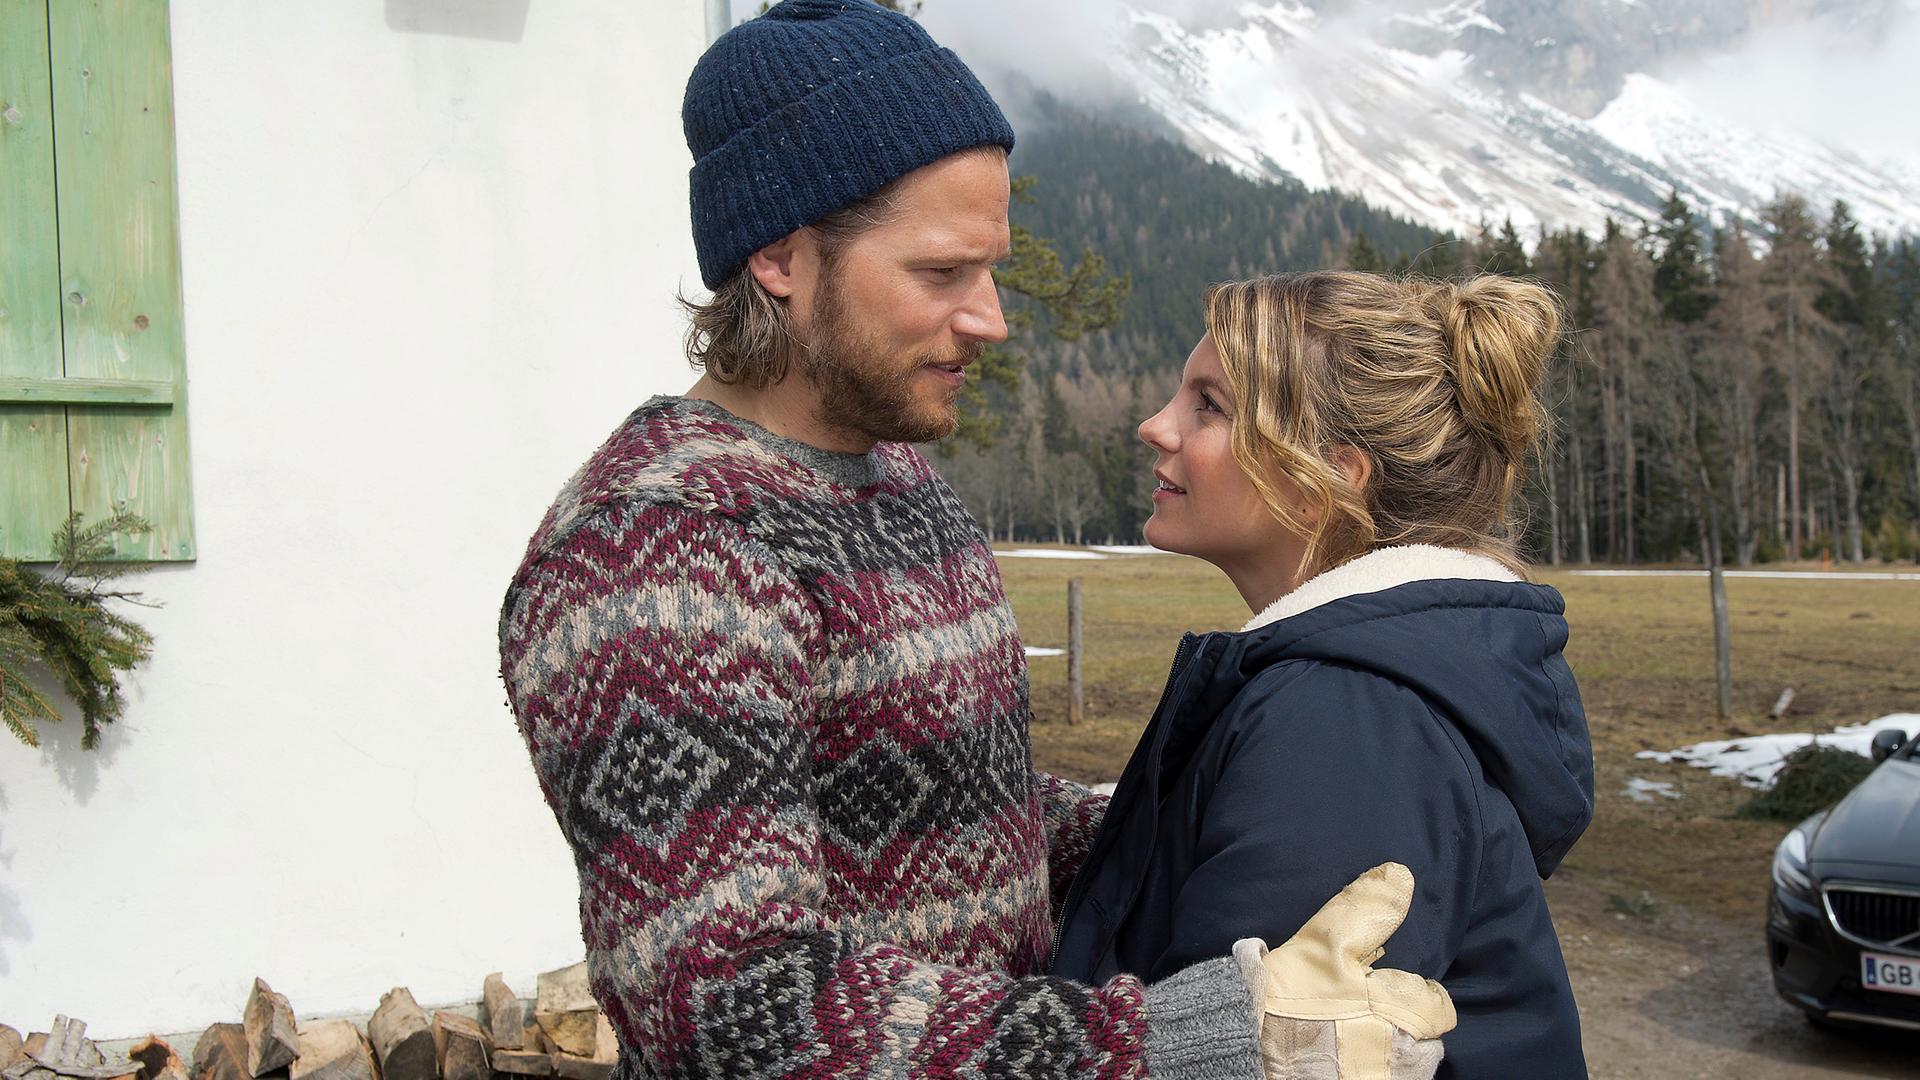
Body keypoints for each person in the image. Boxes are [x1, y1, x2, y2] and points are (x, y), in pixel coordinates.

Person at [498, 3, 1451, 1077]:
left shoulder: (899, 479)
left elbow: (957, 818)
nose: (991, 317)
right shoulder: (659, 551)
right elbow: (730, 1006)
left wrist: (1220, 817)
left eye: (991, 268)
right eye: (941, 274)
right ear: (779, 257)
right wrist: (1175, 1047)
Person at [1050, 270, 1595, 1079]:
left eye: (1208, 404)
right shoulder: (1360, 682)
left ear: (1330, 479)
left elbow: (1241, 1054)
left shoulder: (1346, 715)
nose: (1154, 426)